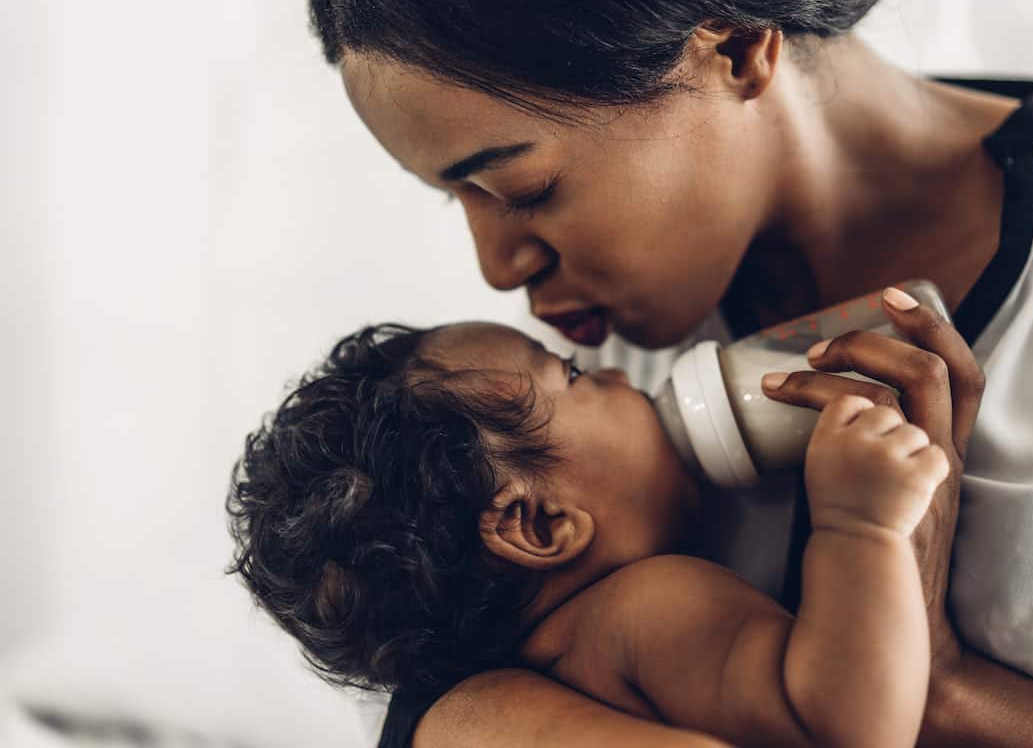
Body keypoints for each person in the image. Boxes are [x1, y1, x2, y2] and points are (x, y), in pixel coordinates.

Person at [302, 0, 1033, 744]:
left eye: (521, 186)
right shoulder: (566, 394)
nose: (499, 269)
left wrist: (946, 690)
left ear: (734, 48)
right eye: (452, 196)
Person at [227, 313, 951, 748]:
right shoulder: (646, 608)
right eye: (571, 374)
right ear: (537, 522)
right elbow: (848, 729)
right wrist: (861, 527)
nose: (613, 374)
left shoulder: (554, 666)